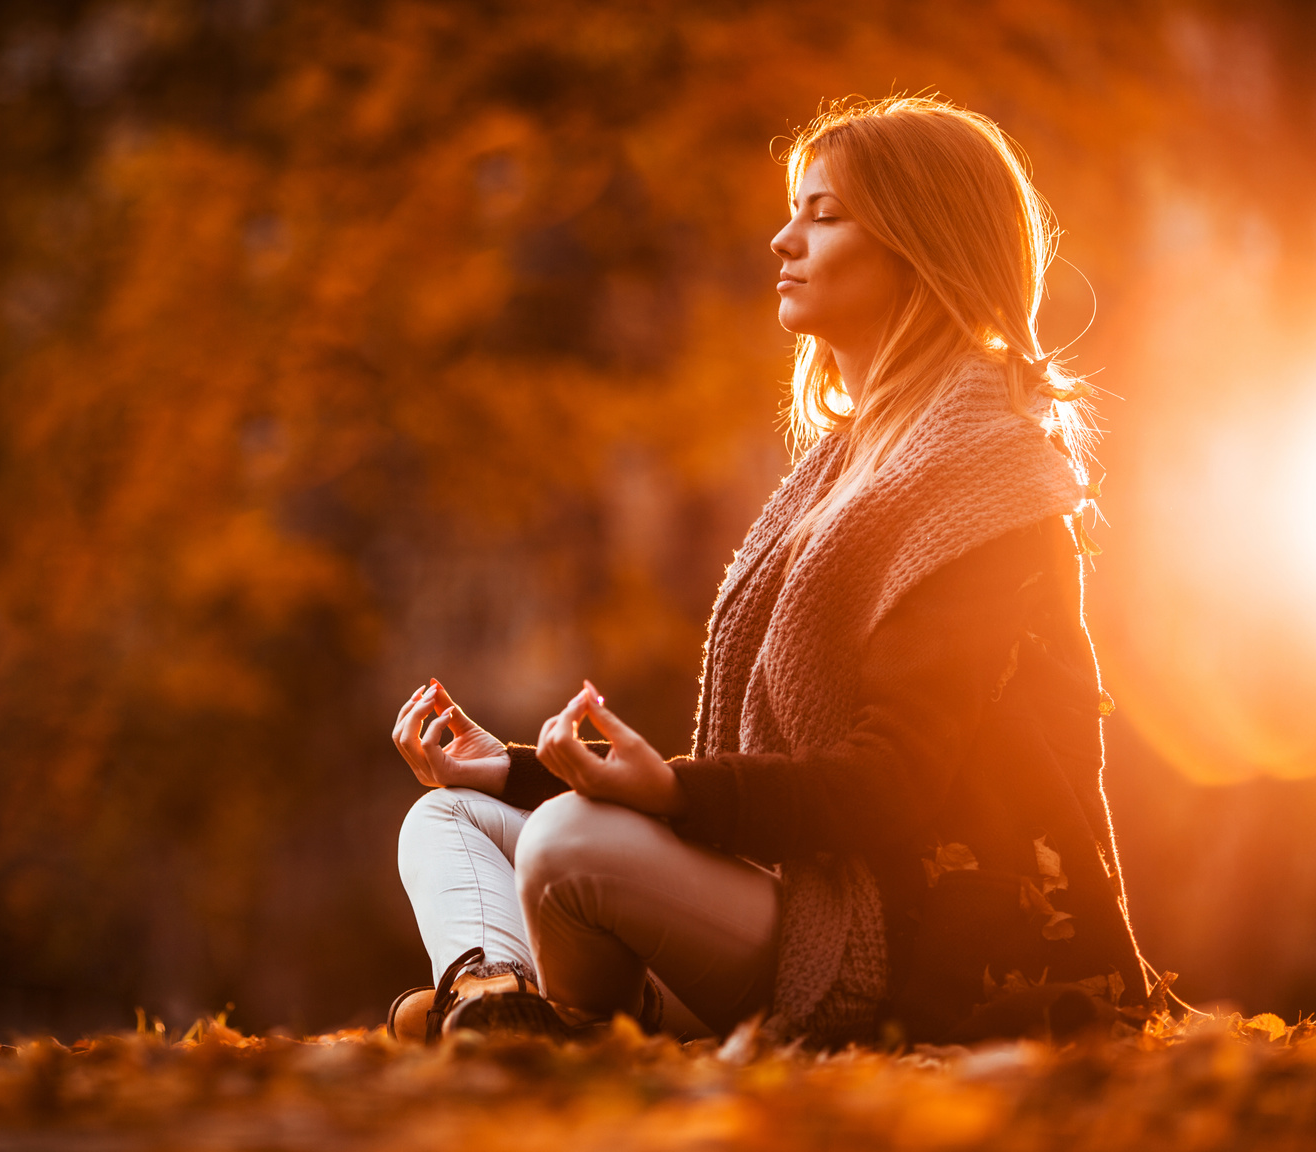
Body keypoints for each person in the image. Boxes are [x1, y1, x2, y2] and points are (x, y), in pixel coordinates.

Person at [388, 96, 1150, 1048]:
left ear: (925, 245)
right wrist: (514, 767)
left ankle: (575, 1029)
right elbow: (759, 782)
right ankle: (492, 999)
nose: (783, 239)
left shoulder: (984, 474)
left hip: (909, 943)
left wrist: (666, 793)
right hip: (788, 903)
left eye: (825, 215)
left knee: (564, 845)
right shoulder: (842, 469)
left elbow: (894, 787)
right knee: (451, 814)